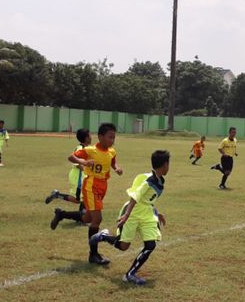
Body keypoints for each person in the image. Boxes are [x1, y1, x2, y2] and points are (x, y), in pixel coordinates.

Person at [90, 150, 170, 285]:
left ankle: (130, 274)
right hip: (132, 213)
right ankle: (104, 236)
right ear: (165, 165)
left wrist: (157, 212)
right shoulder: (149, 181)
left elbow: (148, 200)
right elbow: (135, 197)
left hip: (147, 214)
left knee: (151, 245)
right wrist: (126, 215)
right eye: (169, 164)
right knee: (123, 246)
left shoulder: (160, 180)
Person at [68, 122, 123, 264]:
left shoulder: (112, 151)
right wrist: (82, 161)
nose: (112, 140)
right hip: (91, 185)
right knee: (97, 219)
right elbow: (71, 157)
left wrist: (116, 168)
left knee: (87, 218)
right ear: (100, 136)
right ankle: (93, 254)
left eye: (113, 137)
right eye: (110, 137)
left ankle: (61, 214)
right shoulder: (90, 150)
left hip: (103, 185)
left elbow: (113, 162)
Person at [49, 128, 91, 229]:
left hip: (81, 176)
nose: (91, 137)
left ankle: (80, 218)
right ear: (85, 138)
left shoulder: (85, 148)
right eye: (89, 135)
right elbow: (76, 162)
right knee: (77, 199)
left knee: (85, 197)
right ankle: (58, 195)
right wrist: (85, 169)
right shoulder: (80, 149)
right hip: (78, 176)